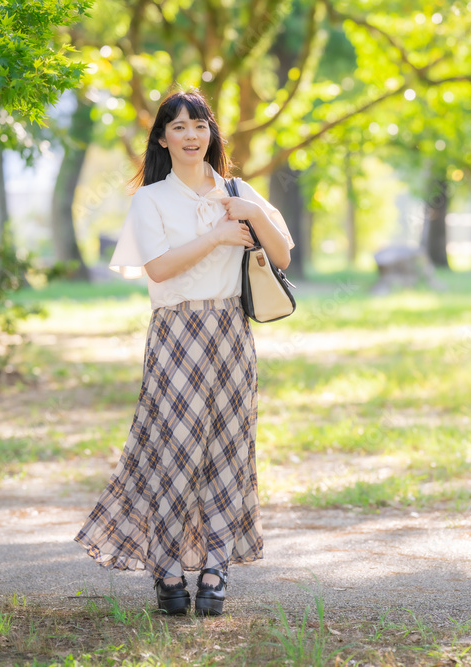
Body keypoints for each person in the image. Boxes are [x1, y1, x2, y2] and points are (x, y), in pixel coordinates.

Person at [74, 89, 293, 617]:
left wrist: (248, 213)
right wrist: (219, 235)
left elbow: (283, 254)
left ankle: (216, 569)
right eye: (178, 127)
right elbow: (159, 269)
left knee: (227, 450)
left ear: (212, 134)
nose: (191, 135)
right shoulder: (150, 199)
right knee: (173, 452)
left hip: (231, 332)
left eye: (199, 125)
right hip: (176, 333)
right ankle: (168, 569)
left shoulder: (237, 190)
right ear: (162, 138)